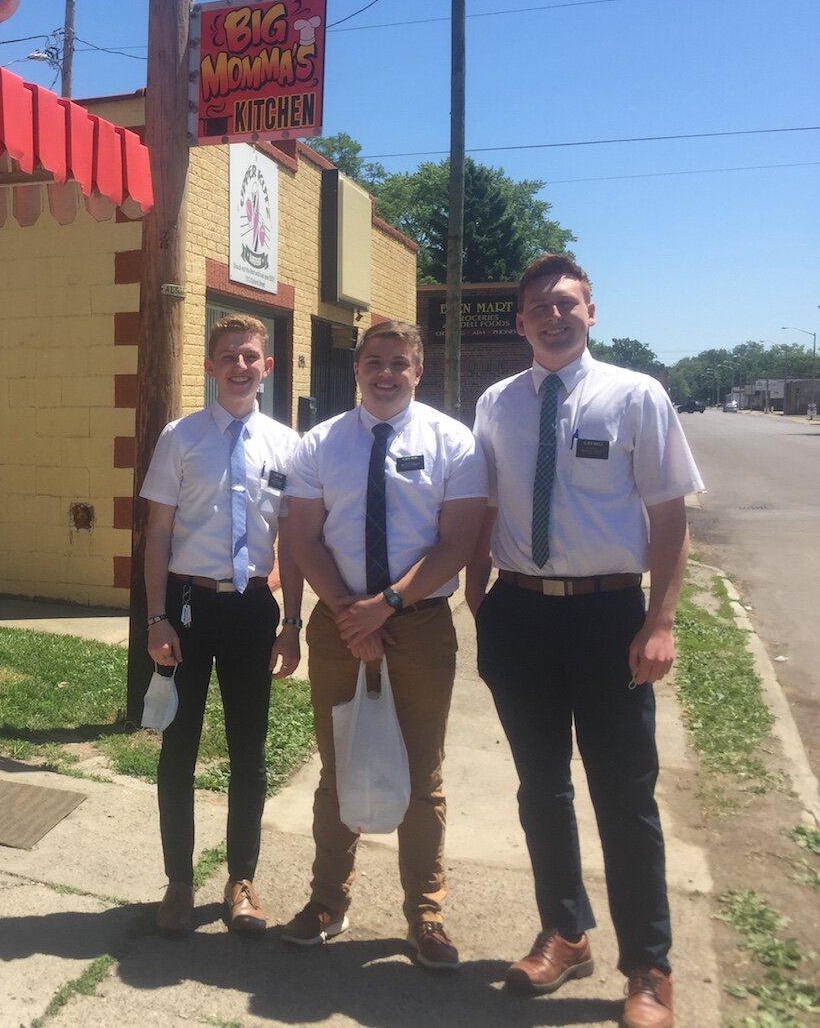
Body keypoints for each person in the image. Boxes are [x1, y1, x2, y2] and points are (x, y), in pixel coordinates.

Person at [466, 255, 702, 1028]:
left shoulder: (636, 396)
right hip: (520, 615)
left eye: (567, 303)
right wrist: (479, 592)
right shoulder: (497, 402)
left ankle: (648, 965)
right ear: (520, 321)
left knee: (624, 796)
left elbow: (671, 515)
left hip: (609, 620)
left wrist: (660, 621)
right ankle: (566, 931)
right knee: (542, 789)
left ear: (591, 312)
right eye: (538, 306)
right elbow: (485, 498)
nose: (553, 315)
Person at [275, 320, 485, 969]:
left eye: (399, 362)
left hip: (419, 625)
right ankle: (327, 902)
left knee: (422, 775)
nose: (386, 372)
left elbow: (459, 540)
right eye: (374, 361)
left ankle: (426, 913)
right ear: (358, 368)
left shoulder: (454, 442)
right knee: (338, 770)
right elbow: (301, 536)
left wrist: (385, 604)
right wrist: (348, 612)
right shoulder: (319, 444)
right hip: (339, 624)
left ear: (419, 370)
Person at [141, 313, 303, 937]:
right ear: (210, 366)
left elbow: (292, 539)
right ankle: (179, 883)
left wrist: (291, 622)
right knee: (178, 749)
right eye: (229, 355)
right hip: (187, 609)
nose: (240, 365)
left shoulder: (288, 446)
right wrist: (156, 617)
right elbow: (157, 533)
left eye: (251, 356)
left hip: (252, 610)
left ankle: (241, 880)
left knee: (249, 751)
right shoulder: (180, 438)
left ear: (267, 366)